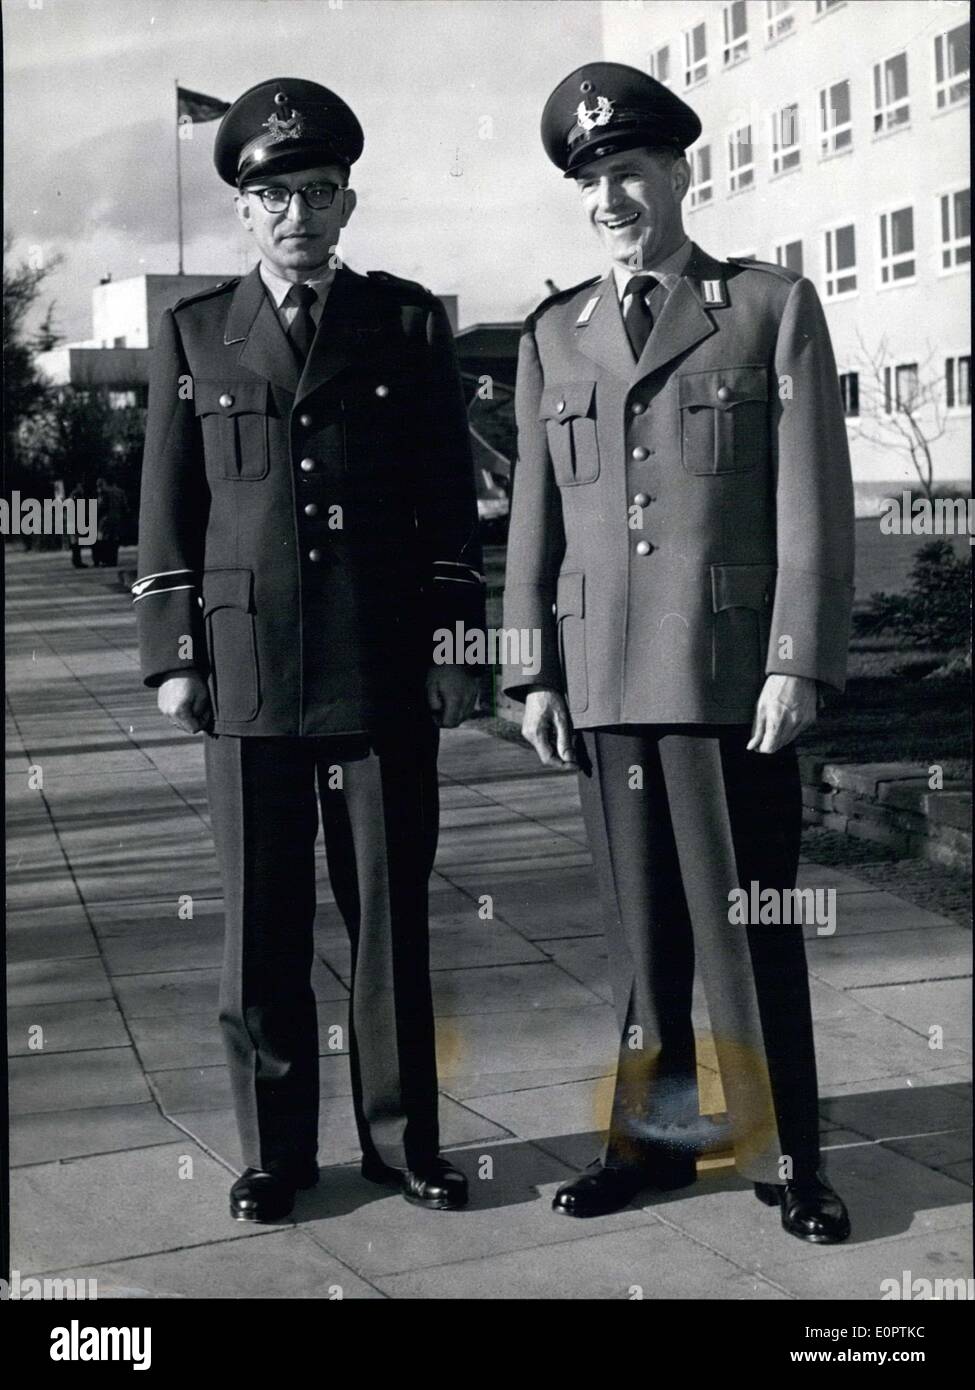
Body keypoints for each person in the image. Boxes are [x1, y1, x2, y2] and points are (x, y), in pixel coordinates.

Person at [503, 62, 855, 1244]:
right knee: (642, 936)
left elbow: (813, 500)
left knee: (750, 923)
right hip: (602, 679)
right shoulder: (555, 333)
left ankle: (787, 1156)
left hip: (724, 678)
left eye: (630, 172)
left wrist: (796, 658)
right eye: (592, 179)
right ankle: (648, 1147)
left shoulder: (767, 306)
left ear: (678, 174)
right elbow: (536, 523)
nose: (612, 197)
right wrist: (529, 668)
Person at [133, 77, 484, 1223]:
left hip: (381, 666)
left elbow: (445, 500)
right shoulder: (197, 331)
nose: (297, 213)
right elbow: (167, 505)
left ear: (347, 200)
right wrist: (174, 650)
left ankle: (402, 1143)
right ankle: (276, 1154)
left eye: (317, 191)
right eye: (273, 194)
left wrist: (453, 643)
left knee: (390, 917)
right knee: (263, 924)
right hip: (251, 674)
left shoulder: (407, 321)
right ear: (244, 209)